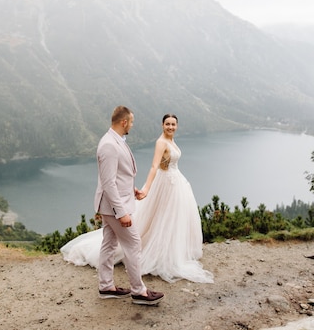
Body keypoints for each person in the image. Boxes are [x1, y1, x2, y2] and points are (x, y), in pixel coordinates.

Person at [61, 113, 213, 284]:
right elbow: (155, 166)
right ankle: (154, 262)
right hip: (165, 184)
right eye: (167, 124)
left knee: (171, 219)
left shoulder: (171, 141)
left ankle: (172, 251)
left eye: (173, 124)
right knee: (161, 219)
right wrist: (147, 188)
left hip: (176, 183)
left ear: (177, 126)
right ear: (162, 125)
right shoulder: (161, 142)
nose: (170, 127)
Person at [91, 106, 164, 305]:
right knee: (133, 243)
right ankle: (139, 291)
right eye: (131, 122)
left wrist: (132, 189)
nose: (132, 125)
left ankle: (106, 286)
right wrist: (121, 212)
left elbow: (118, 175)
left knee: (109, 243)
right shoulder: (109, 145)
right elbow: (108, 183)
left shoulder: (114, 140)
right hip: (114, 207)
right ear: (124, 122)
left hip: (112, 204)